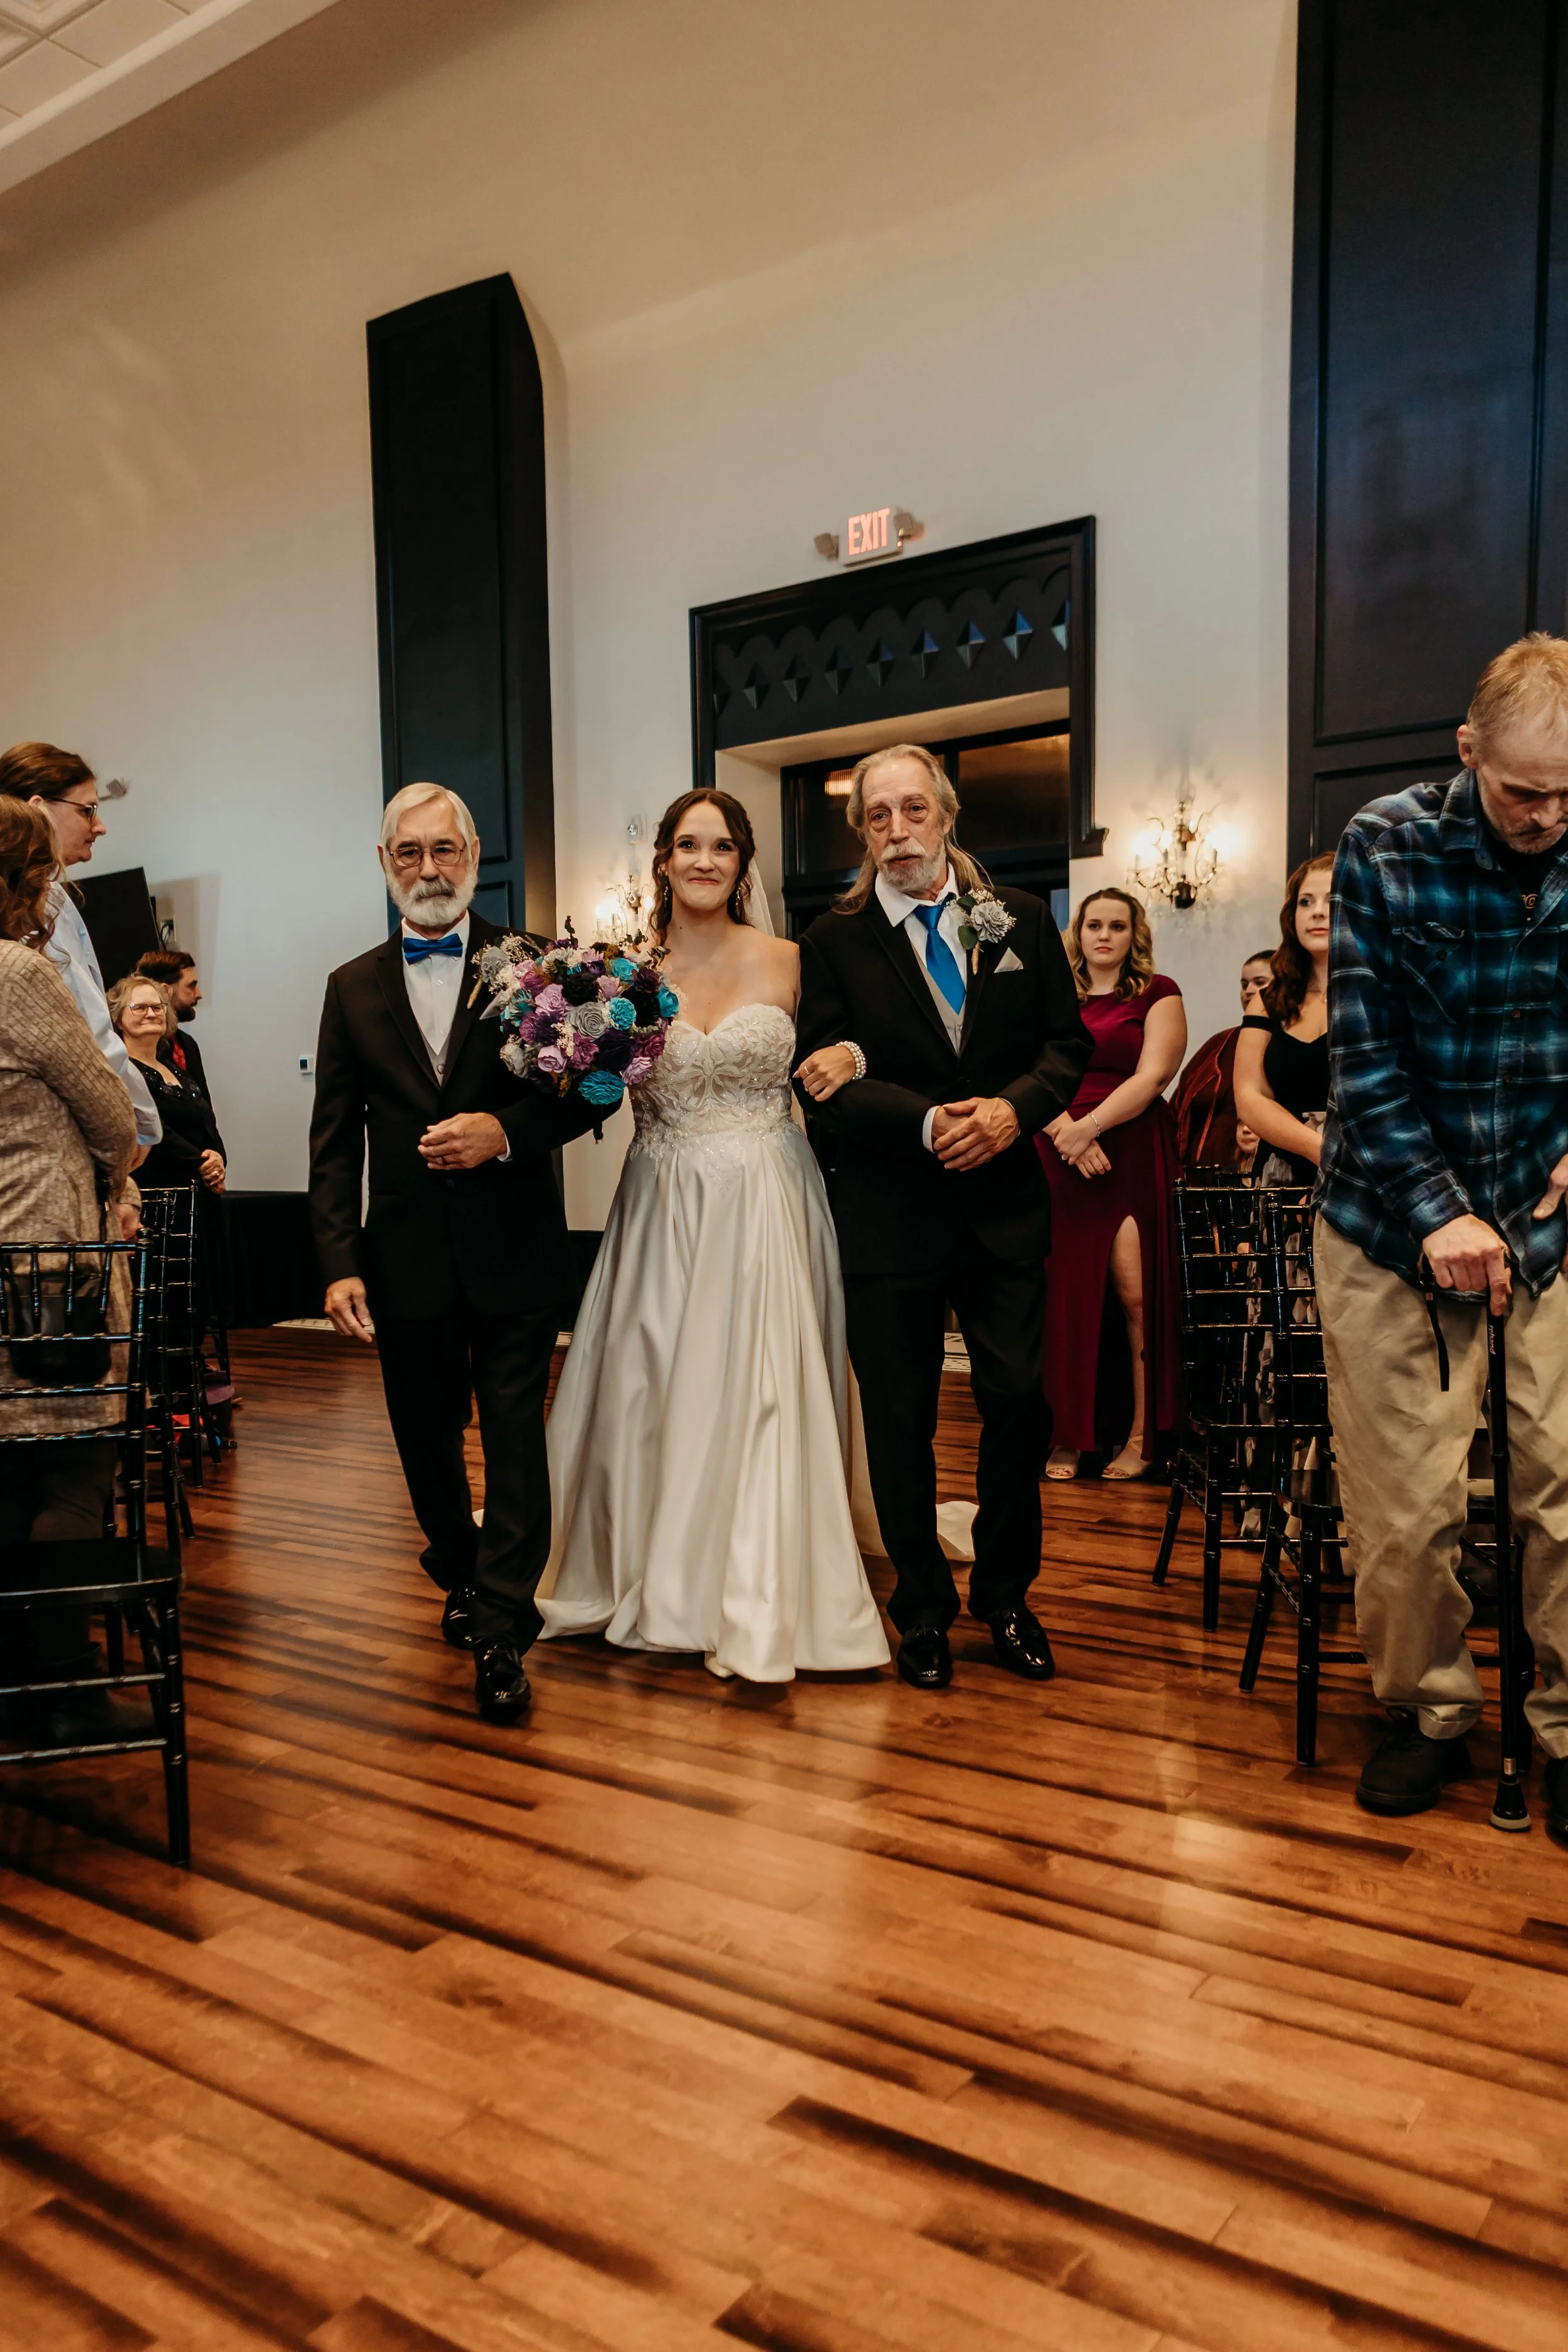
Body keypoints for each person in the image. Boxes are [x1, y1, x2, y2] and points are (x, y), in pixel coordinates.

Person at [541, 790, 889, 1682]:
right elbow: (591, 1100)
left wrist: (849, 1056)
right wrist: (570, 1064)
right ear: (662, 859)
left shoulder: (791, 957)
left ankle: (759, 1577)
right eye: (688, 844)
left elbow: (869, 1039)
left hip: (766, 1189)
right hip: (660, 1192)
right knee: (653, 1375)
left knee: (763, 1380)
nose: (704, 859)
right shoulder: (617, 976)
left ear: (743, 863)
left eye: (722, 846)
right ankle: (650, 1562)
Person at [1316, 632, 1568, 1826]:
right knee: (1408, 1510)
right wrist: (1442, 1218)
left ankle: (1563, 1727)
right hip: (1388, 1220)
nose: (1549, 815)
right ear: (1470, 754)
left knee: (1563, 1494)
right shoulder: (1386, 843)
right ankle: (1431, 1709)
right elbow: (1363, 1067)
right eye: (1525, 791)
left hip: (1550, 1213)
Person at [794, 742, 1091, 1692]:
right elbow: (824, 1083)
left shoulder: (1024, 922)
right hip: (889, 1216)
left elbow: (1064, 1046)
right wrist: (923, 1123)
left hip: (1004, 1209)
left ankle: (1005, 1595)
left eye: (912, 809)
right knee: (899, 1418)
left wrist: (1014, 1111)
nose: (897, 831)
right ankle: (920, 1606)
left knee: (1017, 1402)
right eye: (877, 816)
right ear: (862, 832)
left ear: (947, 814)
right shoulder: (830, 942)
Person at [308, 780, 601, 1724]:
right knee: (425, 1442)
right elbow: (332, 1137)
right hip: (404, 1258)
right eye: (409, 852)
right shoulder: (350, 986)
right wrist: (337, 1258)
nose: (428, 869)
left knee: (516, 1441)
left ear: (475, 854)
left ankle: (503, 1628)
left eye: (445, 850)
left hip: (514, 1250)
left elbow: (585, 1100)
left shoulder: (535, 963)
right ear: (384, 862)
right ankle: (462, 1570)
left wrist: (503, 1132)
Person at [0, 800, 139, 1708]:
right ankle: (59, 1681)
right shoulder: (18, 973)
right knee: (71, 1465)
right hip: (41, 1268)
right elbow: (114, 1115)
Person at [1038, 889, 1186, 1481]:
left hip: (1127, 1148)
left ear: (1134, 936)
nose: (1104, 935)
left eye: (1117, 926)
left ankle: (1141, 1437)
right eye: (1093, 924)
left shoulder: (1157, 993)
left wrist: (1091, 1128)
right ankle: (1068, 1436)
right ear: (1078, 931)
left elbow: (1154, 1075)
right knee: (1063, 1298)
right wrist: (1064, 1133)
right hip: (1056, 1148)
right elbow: (1024, 1071)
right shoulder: (1054, 997)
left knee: (1136, 1298)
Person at [0, 743, 160, 1158]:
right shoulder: (41, 900)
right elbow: (88, 1031)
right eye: (87, 810)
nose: (100, 825)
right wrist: (140, 1122)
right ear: (39, 808)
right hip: (50, 1138)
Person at [1234, 858, 1333, 1185]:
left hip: (1363, 1169)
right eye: (1306, 902)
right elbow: (1249, 1096)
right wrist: (1317, 1148)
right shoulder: (1267, 1001)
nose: (1317, 912)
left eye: (1332, 900)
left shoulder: (1382, 994)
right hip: (1282, 1169)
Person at [1173, 949, 1274, 1167]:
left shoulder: (1292, 1047)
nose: (1249, 991)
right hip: (1201, 1178)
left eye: (1259, 982)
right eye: (1244, 984)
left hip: (1267, 1180)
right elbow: (1179, 1107)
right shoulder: (1220, 1044)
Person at [135, 947, 212, 1104]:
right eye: (191, 986)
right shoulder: (138, 1050)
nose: (199, 994)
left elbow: (206, 1112)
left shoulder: (187, 1044)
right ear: (165, 991)